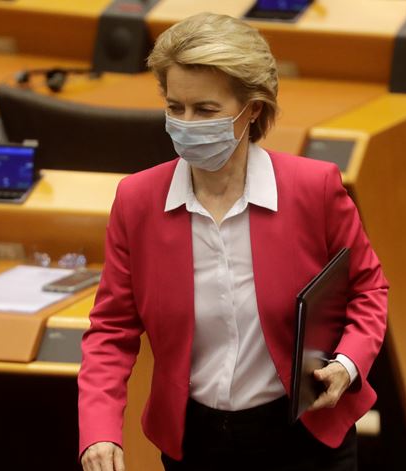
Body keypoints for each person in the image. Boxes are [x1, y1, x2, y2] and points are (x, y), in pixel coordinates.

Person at [78, 12, 388, 471]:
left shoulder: (313, 188)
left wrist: (347, 362)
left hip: (304, 433)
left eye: (205, 110)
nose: (186, 124)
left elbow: (369, 289)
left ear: (253, 111)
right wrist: (99, 430)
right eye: (175, 108)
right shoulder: (137, 201)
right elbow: (111, 330)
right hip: (198, 441)